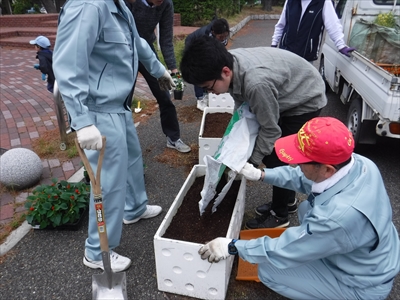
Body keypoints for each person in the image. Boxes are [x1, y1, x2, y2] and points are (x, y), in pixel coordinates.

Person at [199, 117, 400, 300]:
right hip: (371, 255)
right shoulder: (360, 164)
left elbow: (286, 249)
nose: (295, 163)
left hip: (360, 283)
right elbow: (303, 178)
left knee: (268, 271)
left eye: (301, 161)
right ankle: (322, 251)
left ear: (327, 169)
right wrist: (261, 174)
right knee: (306, 208)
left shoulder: (337, 217)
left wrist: (233, 246)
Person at [53, 0, 175, 272]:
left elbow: (138, 42)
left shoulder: (117, 6)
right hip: (99, 110)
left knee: (132, 159)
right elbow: (68, 63)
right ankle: (98, 251)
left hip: (118, 105)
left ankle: (134, 208)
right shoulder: (89, 6)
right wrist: (81, 121)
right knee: (107, 182)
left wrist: (159, 70)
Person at [180, 35, 327, 229]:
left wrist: (251, 161)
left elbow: (270, 129)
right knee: (273, 150)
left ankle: (279, 214)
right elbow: (243, 105)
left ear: (225, 72)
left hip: (305, 98)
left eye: (208, 87)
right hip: (283, 89)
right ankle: (288, 200)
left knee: (279, 156)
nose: (210, 93)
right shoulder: (228, 64)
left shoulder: (256, 84)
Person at [124, 0, 191, 153]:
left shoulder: (166, 4)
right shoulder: (130, 2)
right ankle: (124, 145)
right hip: (126, 52)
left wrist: (174, 71)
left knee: (165, 96)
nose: (161, 1)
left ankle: (173, 138)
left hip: (148, 53)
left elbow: (166, 40)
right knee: (124, 102)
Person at [271, 0, 355, 62]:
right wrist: (274, 44)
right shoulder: (290, 1)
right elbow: (281, 25)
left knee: (303, 85)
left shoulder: (323, 3)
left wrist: (341, 45)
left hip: (306, 57)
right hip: (285, 53)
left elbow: (333, 25)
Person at [184, 17, 230, 111]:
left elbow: (221, 50)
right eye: (221, 37)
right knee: (199, 73)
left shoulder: (222, 35)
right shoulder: (204, 35)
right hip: (194, 46)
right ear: (213, 32)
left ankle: (207, 92)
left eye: (225, 36)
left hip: (209, 47)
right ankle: (200, 99)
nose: (223, 38)